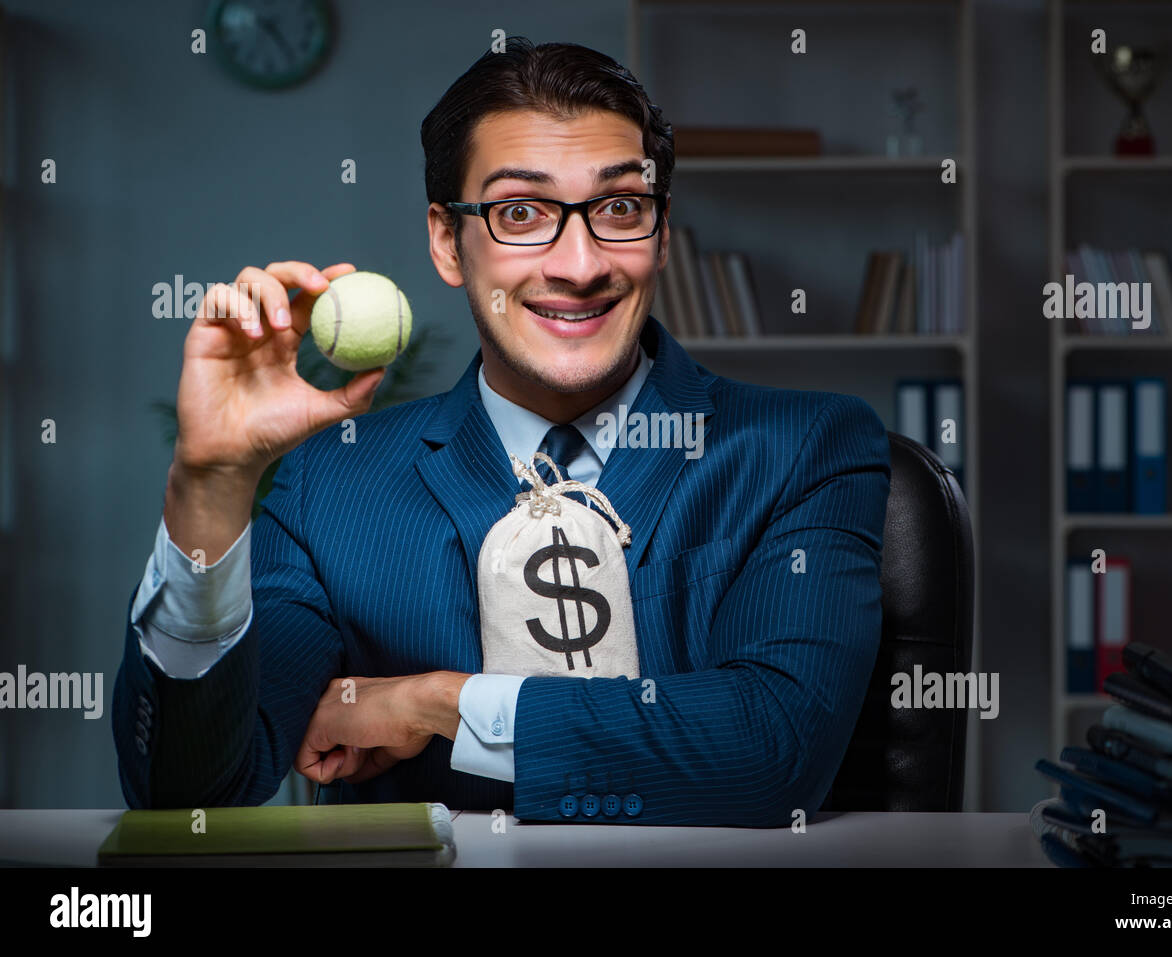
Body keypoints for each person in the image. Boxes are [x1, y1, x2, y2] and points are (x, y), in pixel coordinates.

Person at [112, 37, 891, 827]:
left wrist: (443, 704)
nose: (580, 264)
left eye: (620, 207)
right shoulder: (329, 484)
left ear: (660, 234)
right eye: (522, 213)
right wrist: (206, 483)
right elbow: (192, 797)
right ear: (449, 243)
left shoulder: (804, 447)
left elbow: (774, 748)